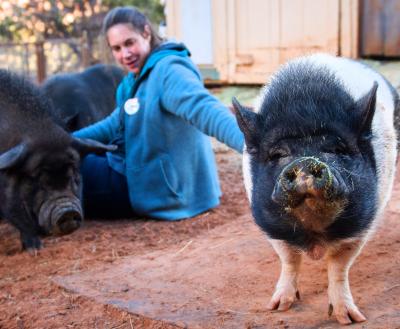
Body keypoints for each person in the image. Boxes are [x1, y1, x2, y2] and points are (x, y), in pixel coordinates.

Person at [73, 6, 244, 220]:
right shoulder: (136, 78)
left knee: (68, 170)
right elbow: (114, 123)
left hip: (159, 189)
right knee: (70, 157)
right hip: (141, 173)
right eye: (116, 48)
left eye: (129, 43)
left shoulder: (169, 71)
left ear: (146, 33)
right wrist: (65, 141)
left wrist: (251, 146)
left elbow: (205, 109)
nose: (125, 54)